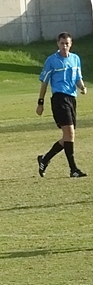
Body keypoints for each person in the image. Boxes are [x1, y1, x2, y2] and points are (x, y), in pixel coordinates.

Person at [36, 32, 87, 178]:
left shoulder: (75, 59)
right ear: (58, 44)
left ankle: (44, 159)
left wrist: (82, 87)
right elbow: (44, 82)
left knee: (68, 136)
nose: (64, 46)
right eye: (62, 43)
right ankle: (73, 169)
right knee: (69, 134)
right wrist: (40, 102)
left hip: (71, 99)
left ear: (71, 44)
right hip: (59, 99)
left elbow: (78, 77)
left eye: (67, 43)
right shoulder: (52, 60)